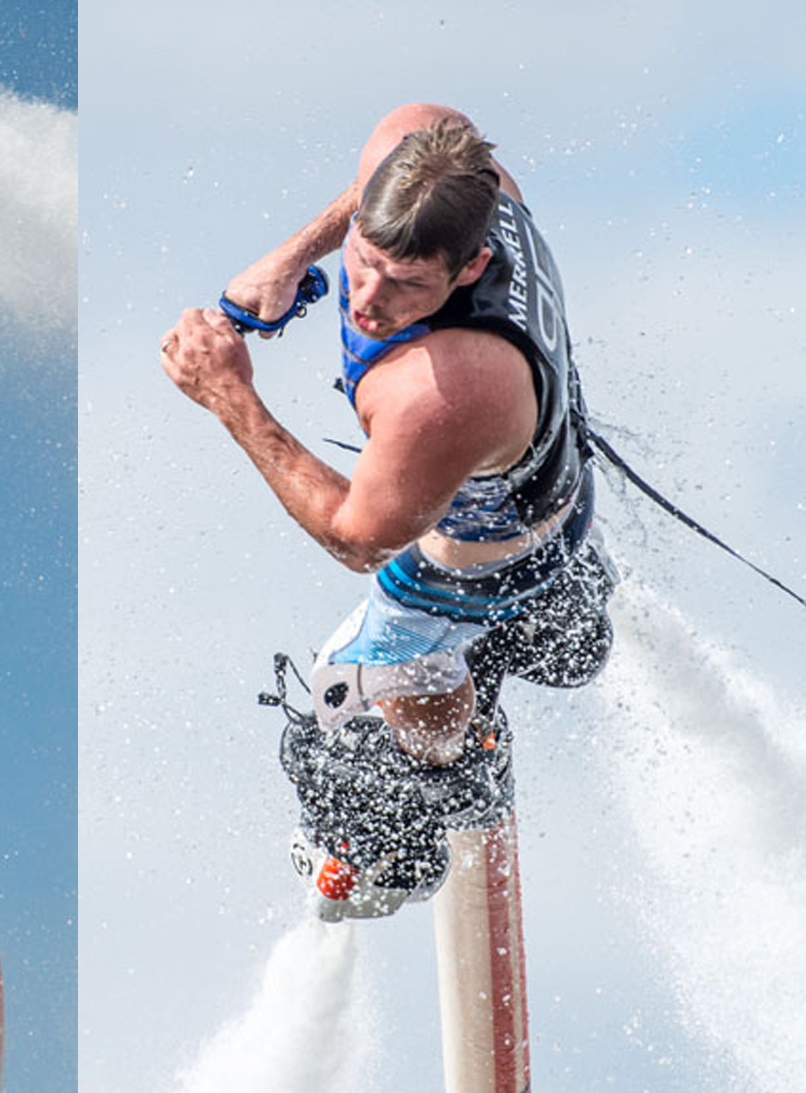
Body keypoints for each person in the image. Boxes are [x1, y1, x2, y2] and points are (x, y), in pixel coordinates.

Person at [161, 103, 615, 920]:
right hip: (544, 479)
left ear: (471, 269)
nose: (368, 300)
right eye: (365, 261)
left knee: (339, 695)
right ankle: (543, 621)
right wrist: (290, 256)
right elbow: (399, 160)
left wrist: (230, 397)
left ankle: (436, 796)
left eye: (409, 285)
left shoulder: (444, 388)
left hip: (486, 561)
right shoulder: (438, 155)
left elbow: (354, 539)